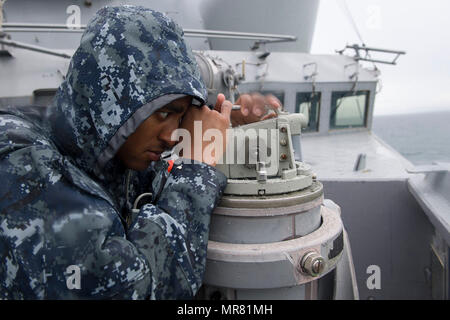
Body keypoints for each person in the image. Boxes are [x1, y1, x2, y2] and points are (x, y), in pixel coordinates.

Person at [0, 6, 280, 299]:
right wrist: (193, 175)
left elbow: (150, 182)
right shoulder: (22, 164)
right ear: (113, 104)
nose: (172, 136)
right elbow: (129, 289)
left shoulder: (109, 153)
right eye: (163, 113)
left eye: (181, 117)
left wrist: (234, 129)